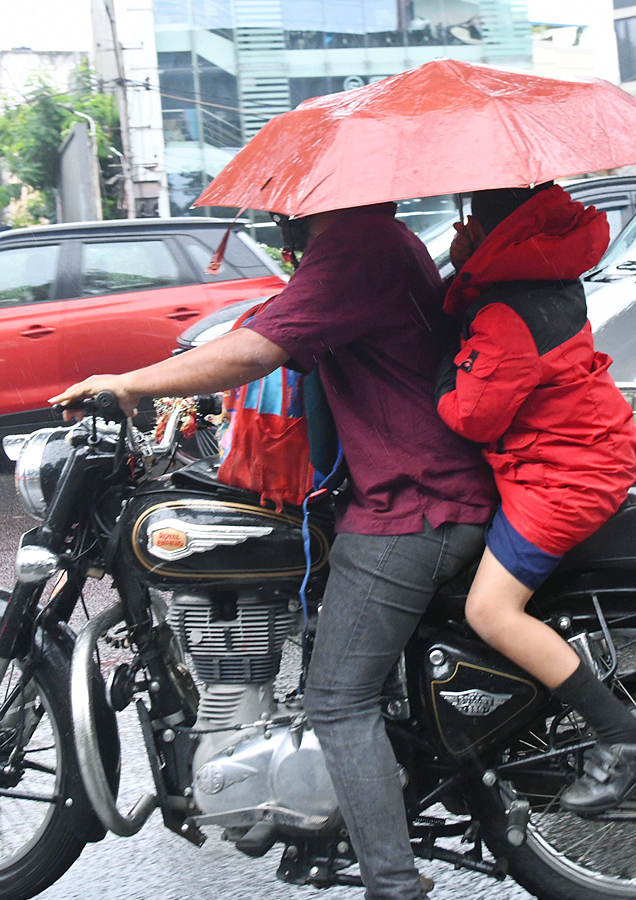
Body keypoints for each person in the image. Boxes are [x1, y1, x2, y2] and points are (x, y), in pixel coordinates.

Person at [50, 201, 496, 900]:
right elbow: (270, 324)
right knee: (339, 659)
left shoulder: (356, 246)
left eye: (282, 209)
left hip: (415, 504)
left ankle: (394, 885)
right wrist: (196, 394)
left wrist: (130, 382)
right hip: (412, 489)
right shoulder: (378, 240)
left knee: (338, 701)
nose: (276, 219)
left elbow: (262, 348)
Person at [436, 184, 636, 815]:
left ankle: (625, 737)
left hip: (562, 477)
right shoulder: (542, 271)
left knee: (490, 611)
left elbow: (472, 416)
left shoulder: (507, 311)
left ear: (486, 228)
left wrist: (442, 371)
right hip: (578, 452)